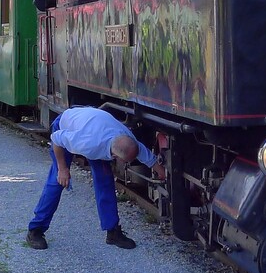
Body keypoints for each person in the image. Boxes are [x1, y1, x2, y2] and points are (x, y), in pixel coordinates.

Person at [26, 106, 166, 251]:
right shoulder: (87, 144)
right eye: (126, 161)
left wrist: (161, 173)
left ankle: (113, 233)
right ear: (115, 156)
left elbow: (147, 158)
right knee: (57, 182)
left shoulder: (126, 138)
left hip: (93, 126)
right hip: (65, 128)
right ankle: (35, 230)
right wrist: (63, 169)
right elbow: (56, 139)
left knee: (105, 181)